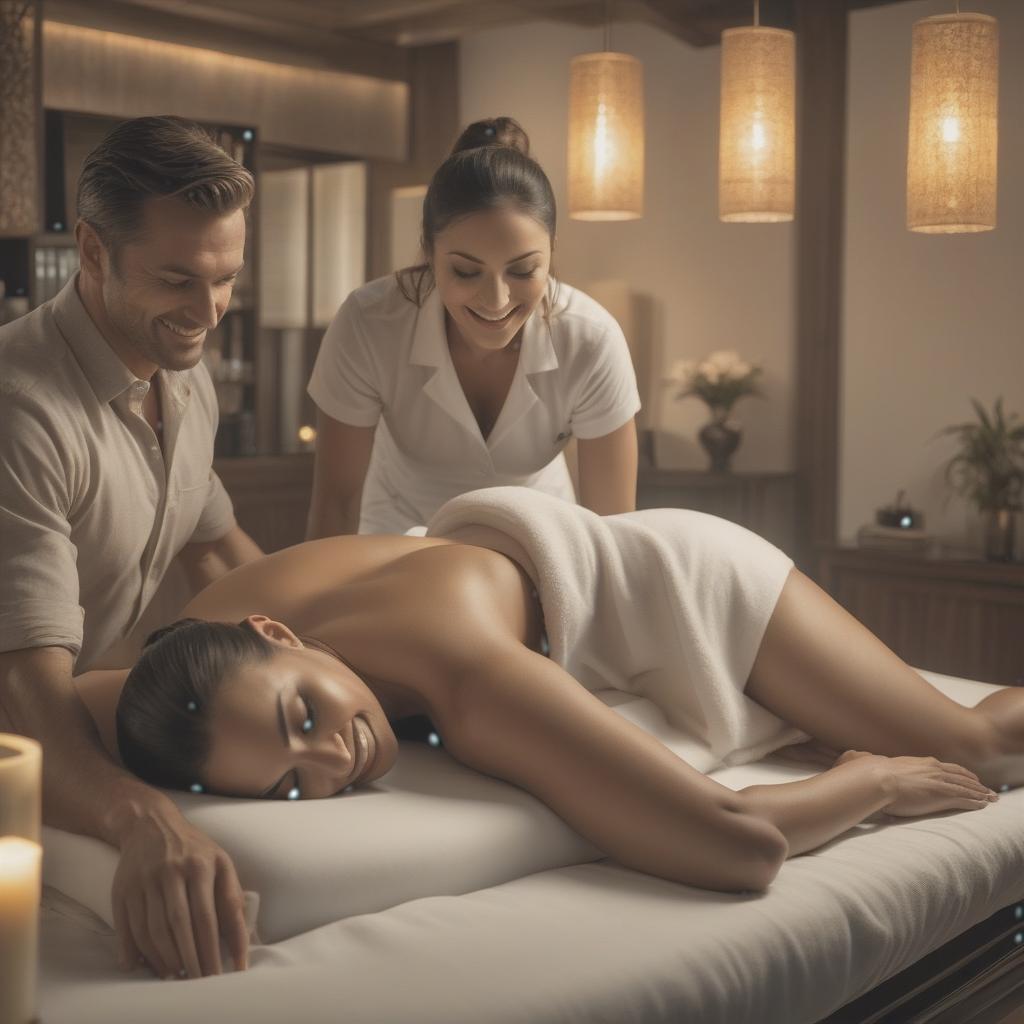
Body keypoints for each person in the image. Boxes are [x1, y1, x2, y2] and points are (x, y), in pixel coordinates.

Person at [84, 488, 1018, 948]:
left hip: (689, 587)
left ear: (276, 630)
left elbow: (739, 844)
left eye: (304, 713)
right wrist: (143, 826)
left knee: (984, 744)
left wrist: (873, 779)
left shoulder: (462, 670)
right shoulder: (188, 662)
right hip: (541, 569)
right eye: (291, 782)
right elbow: (49, 712)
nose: (335, 755)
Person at [0, 116, 264, 983]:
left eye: (225, 278)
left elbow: (223, 556)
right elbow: (23, 684)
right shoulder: (20, 409)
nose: (208, 311)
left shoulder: (181, 379)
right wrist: (141, 819)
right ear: (91, 250)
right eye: (178, 279)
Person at [306, 116, 642, 537]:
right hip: (398, 532)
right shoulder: (369, 323)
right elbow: (335, 505)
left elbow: (614, 531)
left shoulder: (590, 339)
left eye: (523, 270)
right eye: (466, 271)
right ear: (429, 251)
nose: (497, 300)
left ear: (551, 251)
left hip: (537, 538)